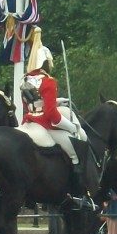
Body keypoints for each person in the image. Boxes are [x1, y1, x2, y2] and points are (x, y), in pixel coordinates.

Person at [20, 27, 89, 205]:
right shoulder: (48, 81)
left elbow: (32, 105)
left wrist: (57, 100)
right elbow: (51, 114)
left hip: (30, 121)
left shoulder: (26, 80)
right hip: (45, 124)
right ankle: (77, 193)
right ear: (46, 62)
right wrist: (72, 127)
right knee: (75, 151)